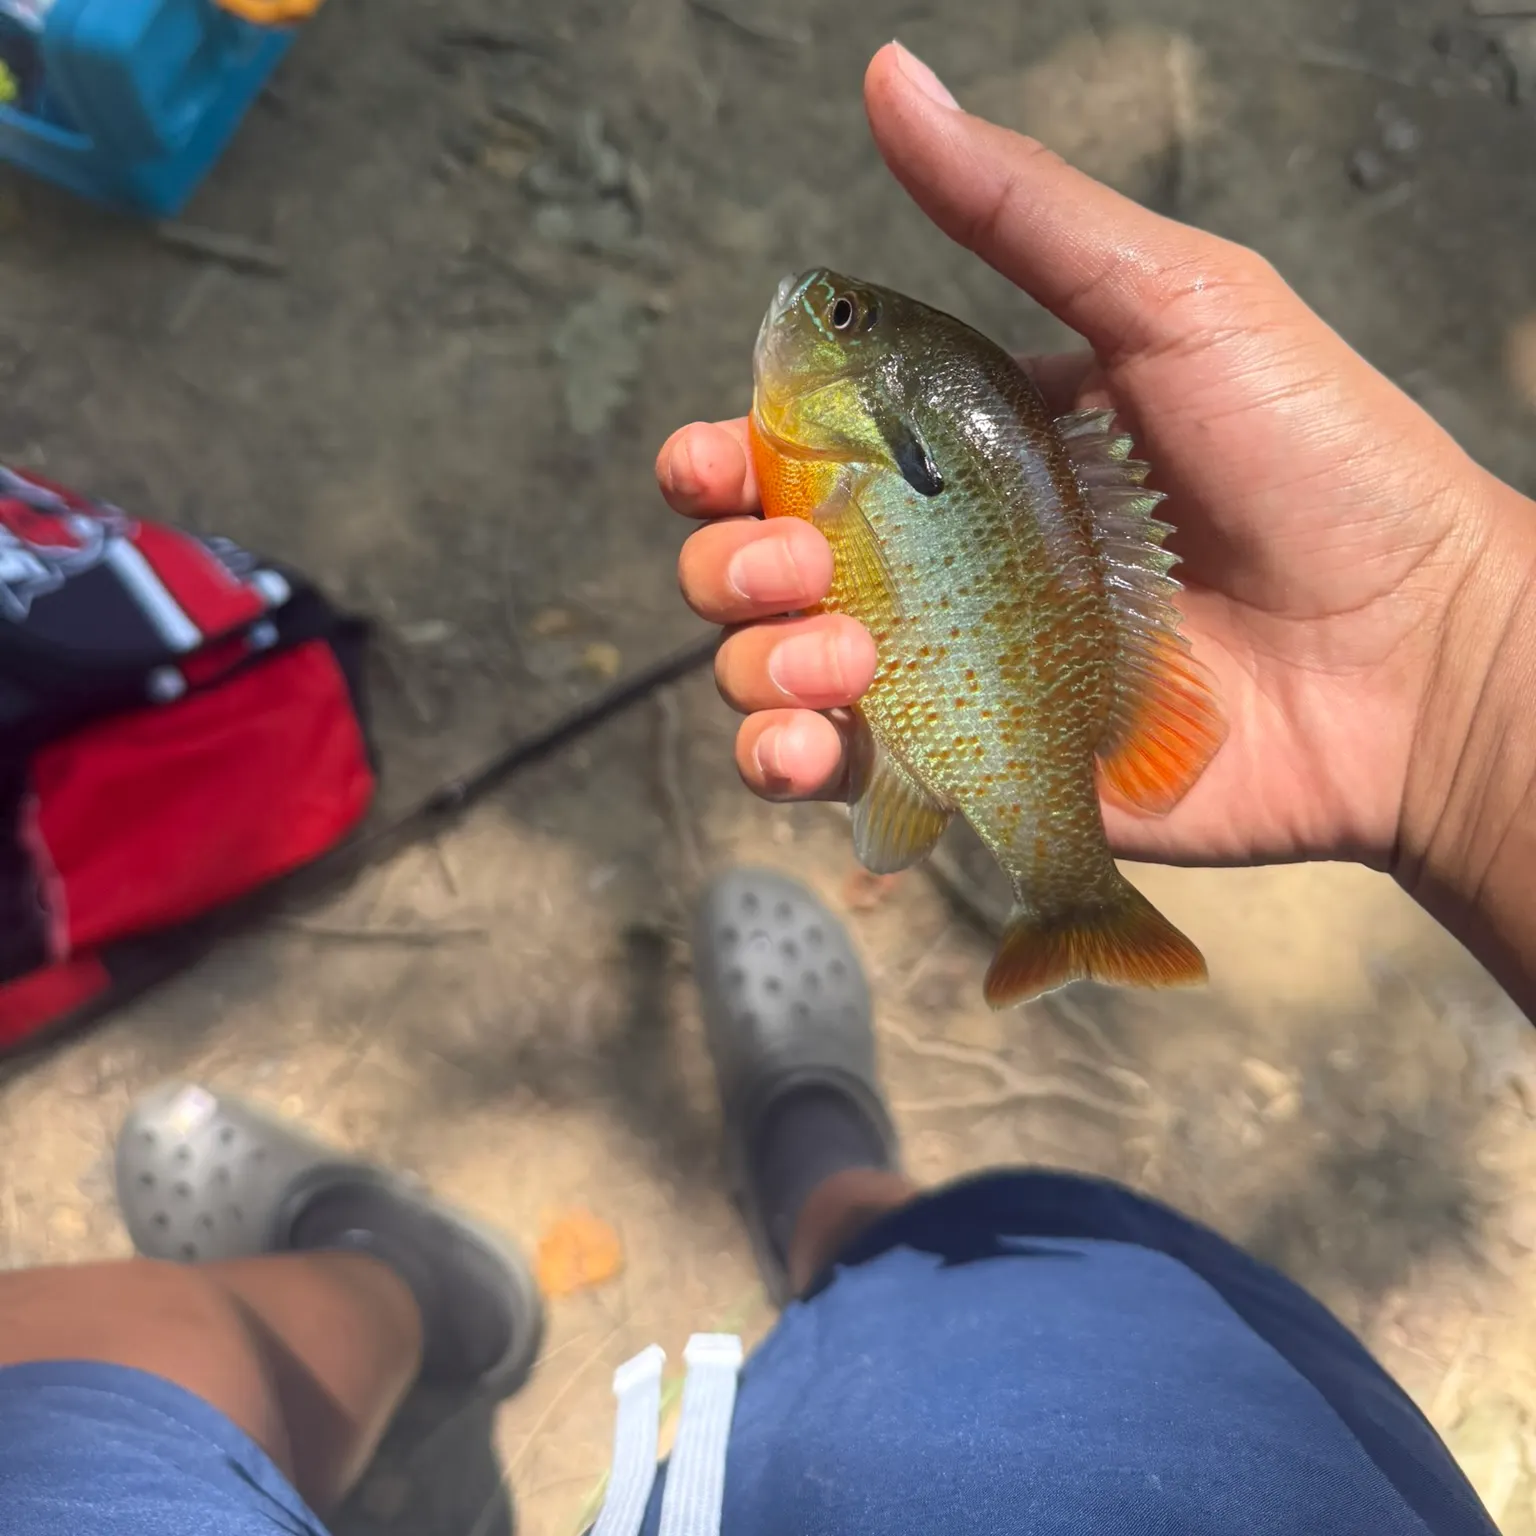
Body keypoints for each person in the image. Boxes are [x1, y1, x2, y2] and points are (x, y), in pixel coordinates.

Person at [0, 38, 1528, 1536]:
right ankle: (830, 1183)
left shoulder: (910, 429)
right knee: (1048, 1308)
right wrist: (1464, 686)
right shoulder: (886, 439)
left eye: (845, 317)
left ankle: (436, 1281)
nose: (812, 309)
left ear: (884, 399)